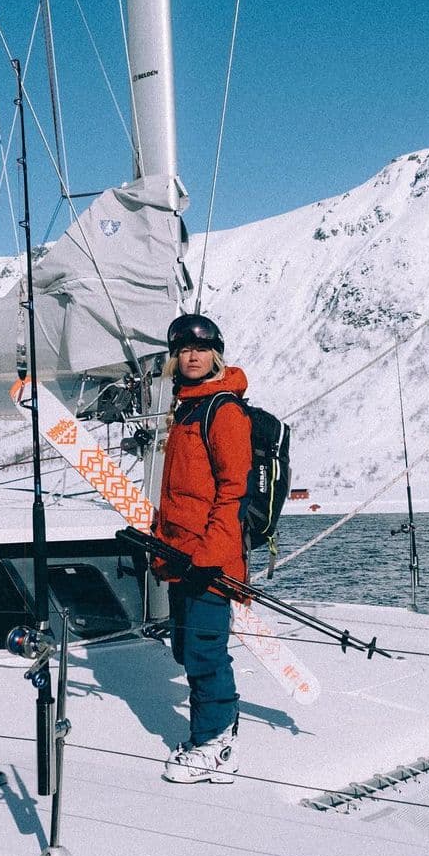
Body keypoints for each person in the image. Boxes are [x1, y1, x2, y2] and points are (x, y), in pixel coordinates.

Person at [154, 313, 251, 784]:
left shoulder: (224, 411)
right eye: (183, 350)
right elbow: (177, 493)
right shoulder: (186, 409)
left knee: (206, 650)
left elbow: (234, 493)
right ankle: (211, 737)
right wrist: (160, 542)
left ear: (216, 352)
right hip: (181, 556)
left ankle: (216, 745)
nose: (191, 356)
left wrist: (207, 557)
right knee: (187, 650)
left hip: (209, 561)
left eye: (200, 348)